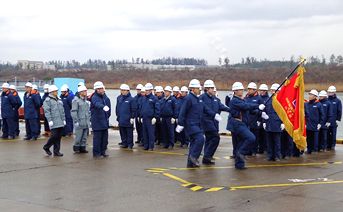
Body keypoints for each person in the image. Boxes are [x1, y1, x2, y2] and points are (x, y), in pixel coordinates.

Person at [176, 79, 222, 168]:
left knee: (193, 142)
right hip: (190, 124)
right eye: (198, 88)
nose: (199, 90)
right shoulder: (188, 99)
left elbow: (206, 109)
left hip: (197, 124)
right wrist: (180, 124)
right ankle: (194, 157)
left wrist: (214, 115)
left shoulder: (198, 99)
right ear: (192, 88)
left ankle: (190, 162)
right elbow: (182, 112)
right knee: (200, 139)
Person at [229, 82, 267, 170]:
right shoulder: (234, 100)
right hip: (238, 124)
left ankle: (239, 164)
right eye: (240, 90)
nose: (242, 91)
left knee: (240, 143)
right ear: (235, 91)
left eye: (242, 89)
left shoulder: (241, 99)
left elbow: (248, 111)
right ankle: (241, 153)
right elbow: (246, 106)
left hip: (243, 124)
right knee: (251, 138)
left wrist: (260, 114)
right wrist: (258, 106)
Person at [200, 80, 230, 165]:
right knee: (216, 138)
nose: (213, 89)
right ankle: (208, 156)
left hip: (214, 122)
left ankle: (207, 158)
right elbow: (204, 109)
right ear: (207, 88)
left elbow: (222, 107)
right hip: (206, 121)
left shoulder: (215, 99)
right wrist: (214, 115)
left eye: (213, 88)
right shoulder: (202, 98)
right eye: (211, 88)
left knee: (209, 139)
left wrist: (233, 110)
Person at [42, 85, 65, 156]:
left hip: (60, 121)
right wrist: (49, 120)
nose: (56, 92)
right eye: (55, 91)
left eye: (57, 91)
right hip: (53, 121)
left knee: (58, 136)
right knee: (54, 136)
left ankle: (56, 151)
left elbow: (62, 111)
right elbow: (47, 111)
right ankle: (46, 147)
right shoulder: (47, 100)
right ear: (51, 92)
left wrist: (63, 119)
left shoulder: (59, 99)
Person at [90, 81, 111, 158]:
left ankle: (103, 151)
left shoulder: (103, 97)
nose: (103, 90)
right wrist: (102, 107)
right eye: (101, 88)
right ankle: (96, 153)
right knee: (97, 139)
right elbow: (96, 104)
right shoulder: (95, 97)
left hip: (104, 121)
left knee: (104, 139)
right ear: (97, 89)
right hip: (97, 121)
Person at [264, 83, 282, 161]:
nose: (273, 91)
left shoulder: (281, 101)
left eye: (274, 90)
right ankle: (270, 156)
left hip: (277, 123)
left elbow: (284, 113)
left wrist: (283, 123)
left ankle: (277, 156)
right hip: (269, 123)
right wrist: (264, 121)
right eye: (272, 90)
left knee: (277, 141)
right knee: (269, 141)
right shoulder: (267, 100)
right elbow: (264, 112)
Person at [244, 82, 263, 156]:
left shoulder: (259, 98)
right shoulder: (246, 97)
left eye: (250, 89)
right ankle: (248, 150)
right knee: (248, 137)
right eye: (248, 89)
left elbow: (262, 110)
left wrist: (259, 120)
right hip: (247, 121)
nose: (248, 90)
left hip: (255, 121)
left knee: (255, 137)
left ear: (254, 90)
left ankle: (254, 151)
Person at [140, 83, 160, 151]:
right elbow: (142, 108)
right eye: (146, 90)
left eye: (148, 90)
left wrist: (155, 117)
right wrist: (141, 116)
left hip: (151, 119)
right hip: (145, 118)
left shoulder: (154, 99)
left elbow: (157, 109)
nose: (146, 91)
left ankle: (151, 146)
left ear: (151, 90)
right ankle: (146, 145)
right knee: (145, 133)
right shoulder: (144, 98)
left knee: (151, 133)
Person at [71, 85, 91, 153]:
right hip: (79, 121)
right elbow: (74, 111)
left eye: (86, 91)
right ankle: (76, 147)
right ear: (80, 92)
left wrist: (89, 119)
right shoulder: (76, 101)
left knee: (84, 136)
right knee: (78, 136)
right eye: (84, 91)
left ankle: (83, 147)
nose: (86, 92)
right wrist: (76, 121)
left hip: (85, 121)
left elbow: (87, 111)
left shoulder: (86, 101)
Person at [116, 84, 136, 149]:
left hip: (128, 119)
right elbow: (117, 108)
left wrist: (132, 117)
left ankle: (130, 144)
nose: (122, 91)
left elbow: (134, 109)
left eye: (124, 90)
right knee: (122, 132)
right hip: (121, 118)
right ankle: (124, 143)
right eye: (121, 90)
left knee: (129, 132)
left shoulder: (131, 99)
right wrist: (118, 116)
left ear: (128, 91)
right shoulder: (119, 98)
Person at [305, 90, 324, 154]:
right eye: (309, 94)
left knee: (315, 137)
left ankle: (314, 149)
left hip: (315, 124)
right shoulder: (307, 104)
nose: (309, 96)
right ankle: (309, 149)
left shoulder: (319, 104)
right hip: (308, 123)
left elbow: (322, 114)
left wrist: (320, 123)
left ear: (315, 96)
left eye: (311, 95)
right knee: (309, 137)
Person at [327, 85, 342, 150]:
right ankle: (327, 144)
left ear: (334, 92)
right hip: (327, 120)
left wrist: (338, 119)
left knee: (333, 133)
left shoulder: (337, 101)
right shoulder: (326, 100)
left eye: (330, 92)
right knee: (327, 133)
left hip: (334, 120)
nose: (329, 93)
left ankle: (332, 144)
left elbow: (339, 111)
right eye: (329, 92)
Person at [258, 84, 269, 154]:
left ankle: (265, 148)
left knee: (265, 136)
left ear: (265, 91)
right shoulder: (259, 98)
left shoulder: (268, 99)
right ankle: (260, 148)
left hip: (265, 120)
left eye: (261, 90)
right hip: (259, 120)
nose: (260, 92)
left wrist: (264, 121)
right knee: (260, 136)